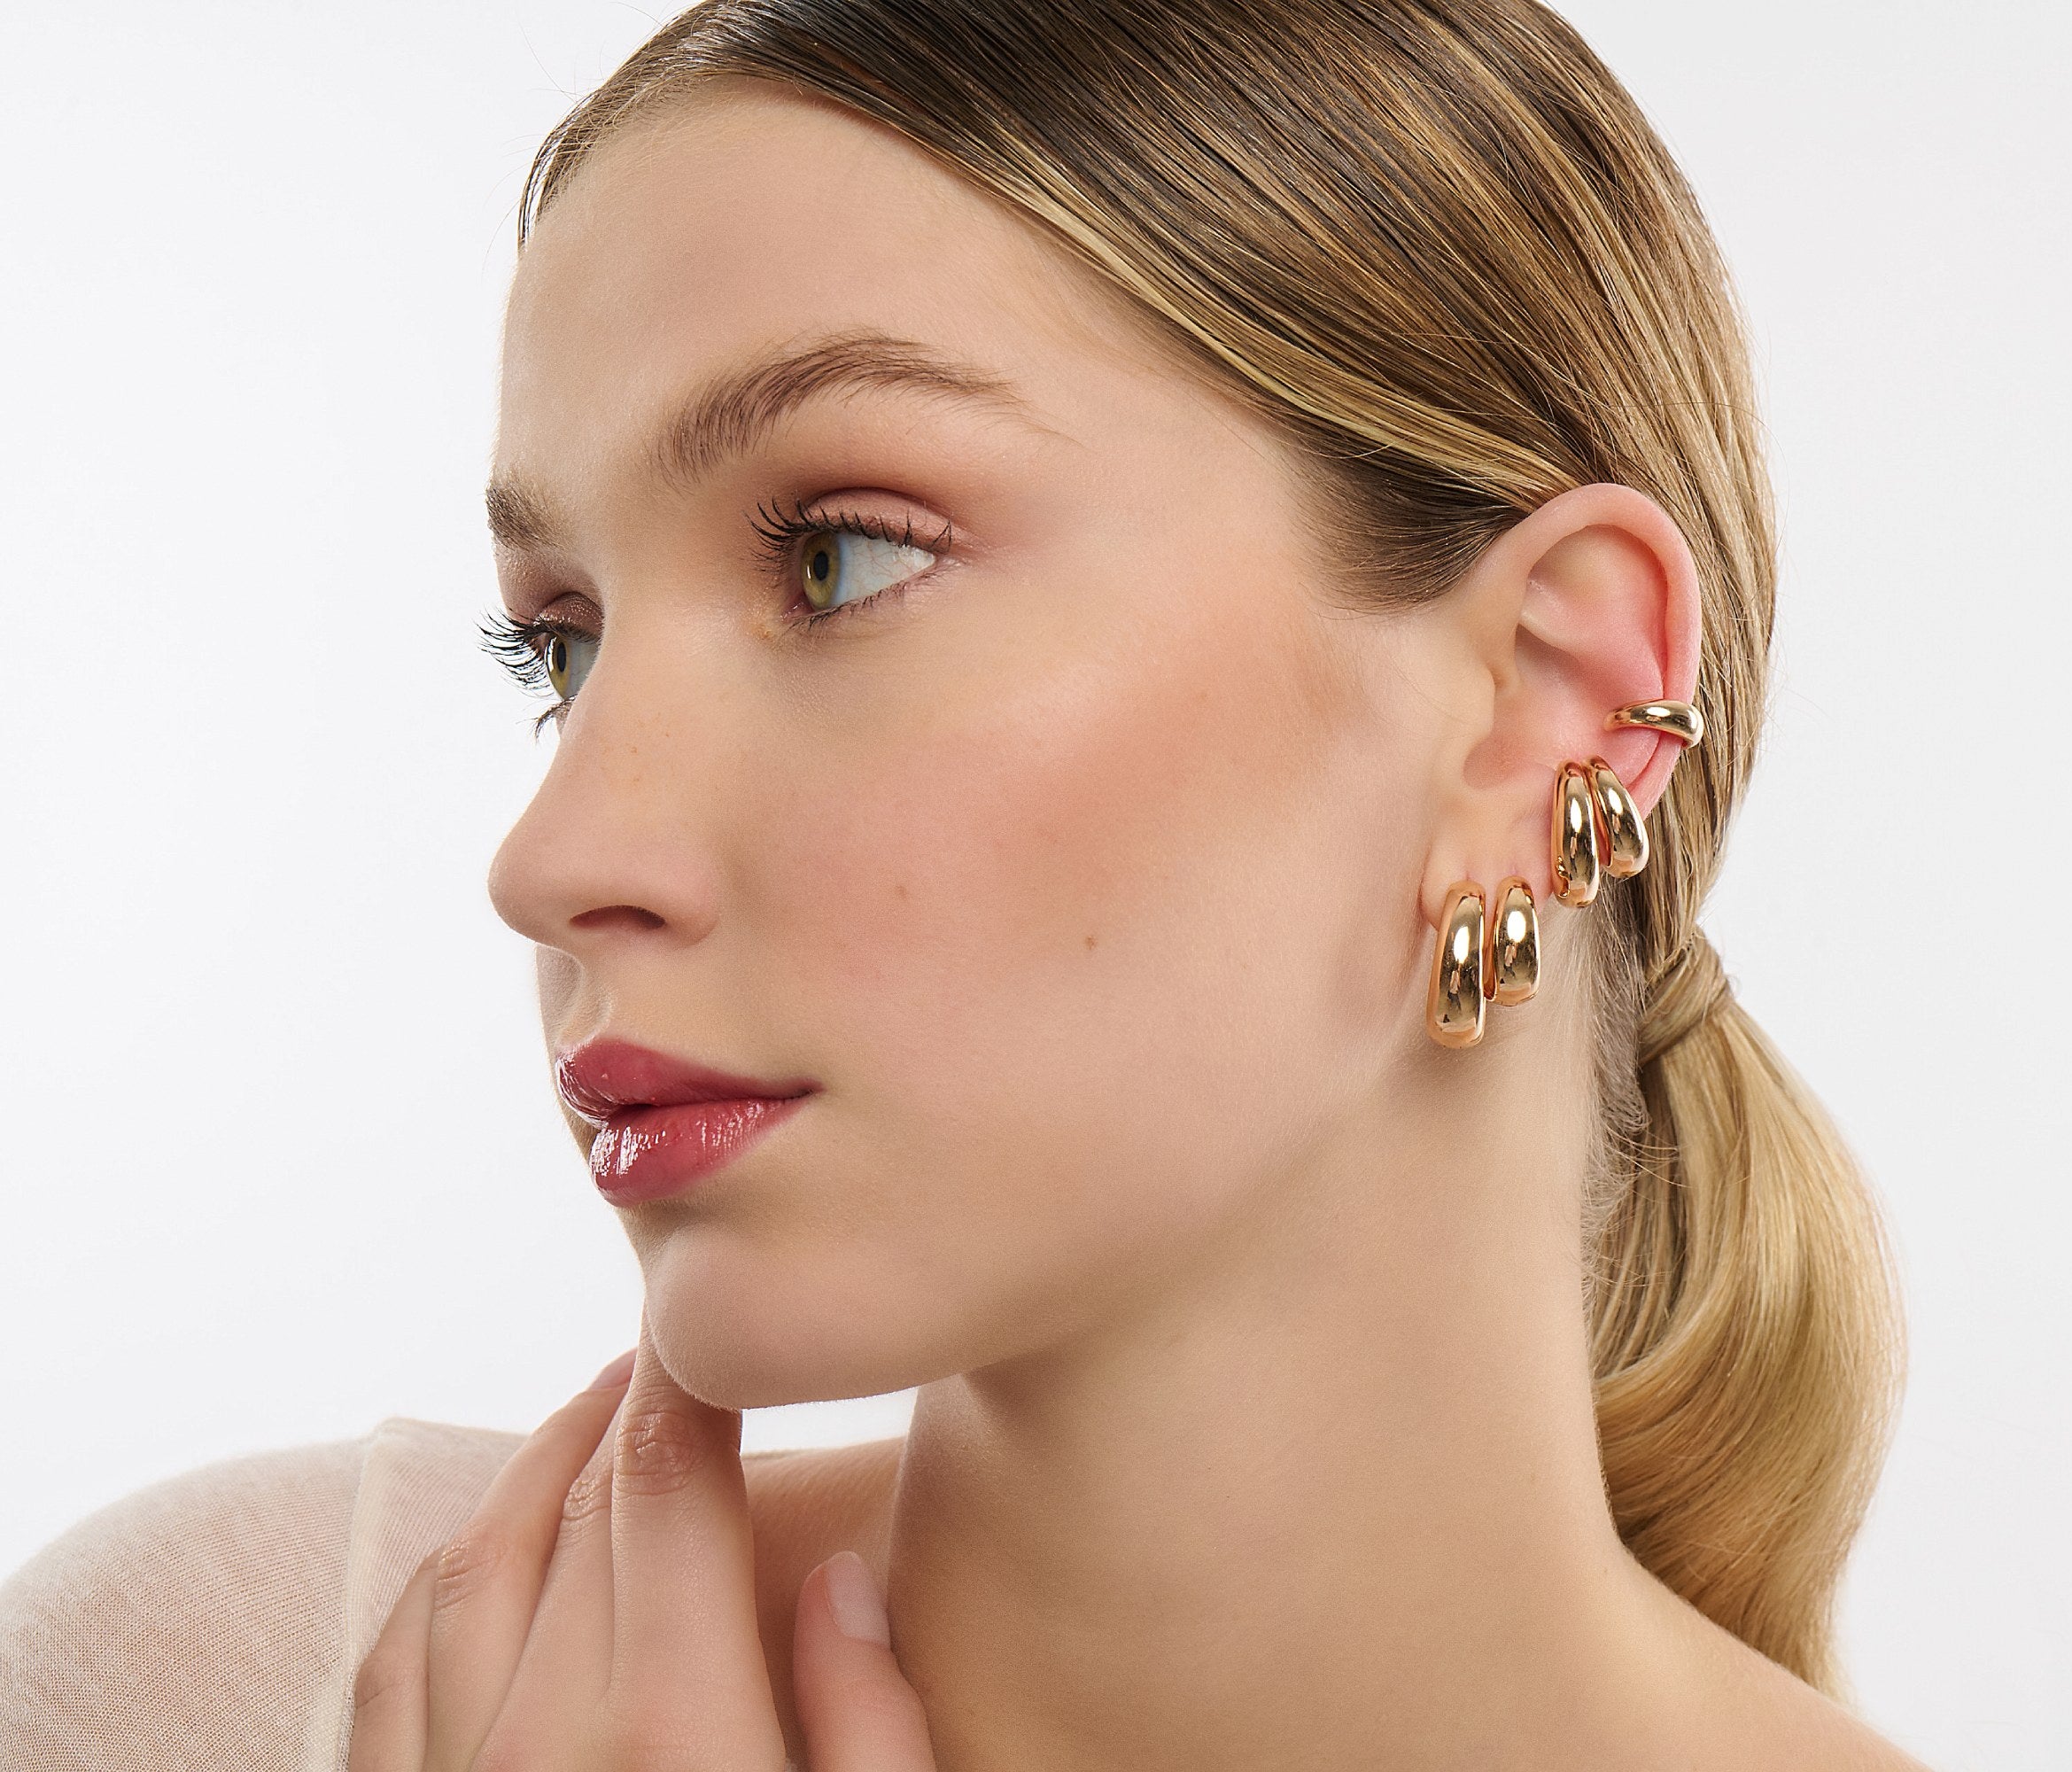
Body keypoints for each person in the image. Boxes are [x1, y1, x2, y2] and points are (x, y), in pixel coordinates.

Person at [0, 2, 1913, 1766]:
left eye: (841, 559)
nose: (553, 859)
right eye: (562, 645)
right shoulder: (252, 1680)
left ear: (1540, 711)